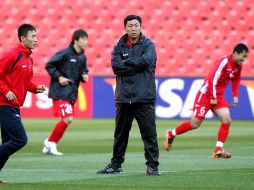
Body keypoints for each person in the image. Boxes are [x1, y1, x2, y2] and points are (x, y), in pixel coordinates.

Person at [97, 15, 160, 175]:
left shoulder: (148, 45)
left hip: (144, 97)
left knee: (149, 134)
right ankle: (116, 164)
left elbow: (147, 61)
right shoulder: (119, 46)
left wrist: (127, 62)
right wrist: (135, 63)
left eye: (136, 26)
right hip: (124, 98)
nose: (133, 29)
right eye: (130, 26)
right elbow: (116, 67)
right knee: (120, 135)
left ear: (140, 27)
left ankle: (152, 166)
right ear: (125, 28)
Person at [163, 43, 249, 158]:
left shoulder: (238, 66)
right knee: (195, 124)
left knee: (227, 119)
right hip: (206, 94)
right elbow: (212, 79)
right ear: (235, 53)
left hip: (217, 96)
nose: (244, 59)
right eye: (243, 56)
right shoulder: (223, 62)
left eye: (246, 57)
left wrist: (235, 95)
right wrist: (213, 97)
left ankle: (218, 150)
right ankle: (171, 134)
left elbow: (236, 79)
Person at [0, 24, 46, 183]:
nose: (36, 39)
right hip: (4, 103)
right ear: (22, 38)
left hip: (14, 104)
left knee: (7, 142)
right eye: (33, 36)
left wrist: (35, 88)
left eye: (36, 36)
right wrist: (5, 91)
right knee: (20, 140)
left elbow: (25, 82)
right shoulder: (12, 54)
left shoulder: (28, 58)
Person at [42, 29, 89, 156]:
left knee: (67, 119)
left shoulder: (82, 56)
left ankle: (49, 143)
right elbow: (49, 65)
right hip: (60, 91)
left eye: (87, 39)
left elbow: (84, 70)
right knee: (68, 118)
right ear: (76, 40)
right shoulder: (65, 53)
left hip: (72, 92)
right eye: (84, 39)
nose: (86, 42)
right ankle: (51, 143)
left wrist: (84, 75)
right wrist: (59, 77)